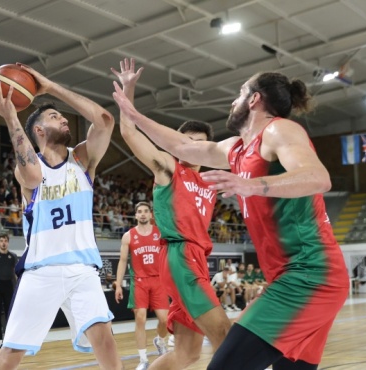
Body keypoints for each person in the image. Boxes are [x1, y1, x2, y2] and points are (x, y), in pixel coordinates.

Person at [114, 69, 350, 370]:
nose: (232, 102)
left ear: (254, 100)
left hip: (311, 275)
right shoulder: (237, 149)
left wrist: (252, 185)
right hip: (292, 277)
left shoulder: (279, 130)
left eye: (239, 93)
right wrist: (132, 112)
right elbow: (182, 146)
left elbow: (319, 178)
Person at [0, 62, 122, 370]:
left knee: (106, 340)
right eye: (54, 116)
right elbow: (31, 174)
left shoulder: (83, 160)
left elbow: (105, 121)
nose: (63, 119)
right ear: (39, 130)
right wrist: (10, 118)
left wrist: (50, 86)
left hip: (83, 269)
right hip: (41, 270)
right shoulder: (30, 169)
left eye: (61, 115)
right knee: (6, 361)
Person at [112, 58, 231, 370]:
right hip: (180, 257)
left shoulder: (210, 180)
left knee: (186, 355)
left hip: (196, 261)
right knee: (225, 335)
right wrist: (128, 91)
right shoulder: (168, 167)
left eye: (200, 145)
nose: (193, 149)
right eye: (187, 144)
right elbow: (129, 134)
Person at [115, 201, 169, 370]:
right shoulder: (128, 236)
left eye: (146, 211)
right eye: (140, 211)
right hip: (139, 281)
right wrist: (118, 285)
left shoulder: (160, 233)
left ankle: (160, 341)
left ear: (151, 214)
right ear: (136, 215)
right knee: (140, 319)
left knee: (165, 320)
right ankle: (143, 359)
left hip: (159, 280)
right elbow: (123, 261)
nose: (143, 214)